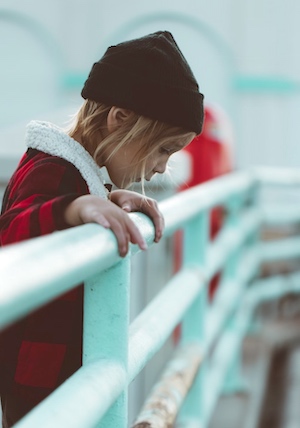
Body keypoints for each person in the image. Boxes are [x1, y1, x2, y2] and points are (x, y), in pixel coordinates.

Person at [0, 30, 204, 426]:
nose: (162, 167)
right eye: (163, 148)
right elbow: (11, 234)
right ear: (120, 118)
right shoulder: (52, 171)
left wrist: (104, 198)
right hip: (37, 384)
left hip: (48, 373)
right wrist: (74, 208)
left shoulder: (72, 173)